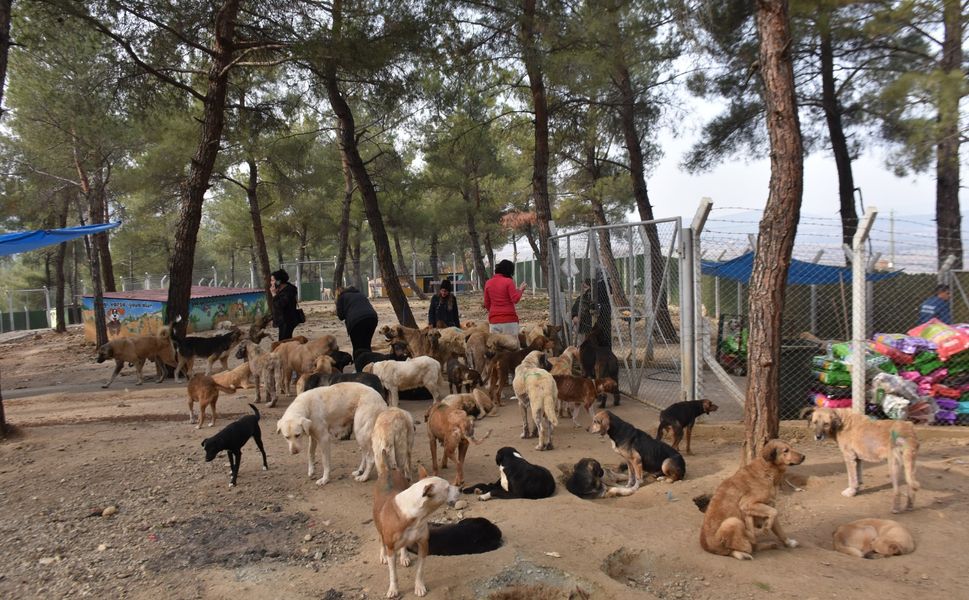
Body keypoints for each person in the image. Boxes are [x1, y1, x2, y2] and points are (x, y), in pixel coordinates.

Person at [483, 259, 527, 335]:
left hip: (494, 321)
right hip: (509, 320)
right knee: (512, 345)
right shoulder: (508, 281)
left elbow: (486, 303)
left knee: (496, 346)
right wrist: (520, 290)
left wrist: (495, 312)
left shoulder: (488, 283)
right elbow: (515, 299)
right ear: (509, 271)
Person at [335, 285, 379, 361]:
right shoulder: (360, 294)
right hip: (372, 318)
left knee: (357, 347)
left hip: (356, 321)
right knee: (366, 345)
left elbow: (341, 316)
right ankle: (369, 366)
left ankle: (359, 368)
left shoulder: (341, 297)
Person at [270, 269, 300, 341]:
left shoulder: (288, 291)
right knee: (285, 341)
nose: (271, 283)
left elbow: (280, 305)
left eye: (272, 280)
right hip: (283, 321)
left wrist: (274, 295)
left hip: (287, 320)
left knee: (283, 342)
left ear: (278, 281)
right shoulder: (283, 290)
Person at [571, 278, 594, 345]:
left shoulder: (592, 299)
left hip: (590, 326)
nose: (583, 289)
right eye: (582, 287)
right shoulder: (580, 298)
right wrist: (574, 317)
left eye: (585, 287)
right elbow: (574, 310)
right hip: (581, 327)